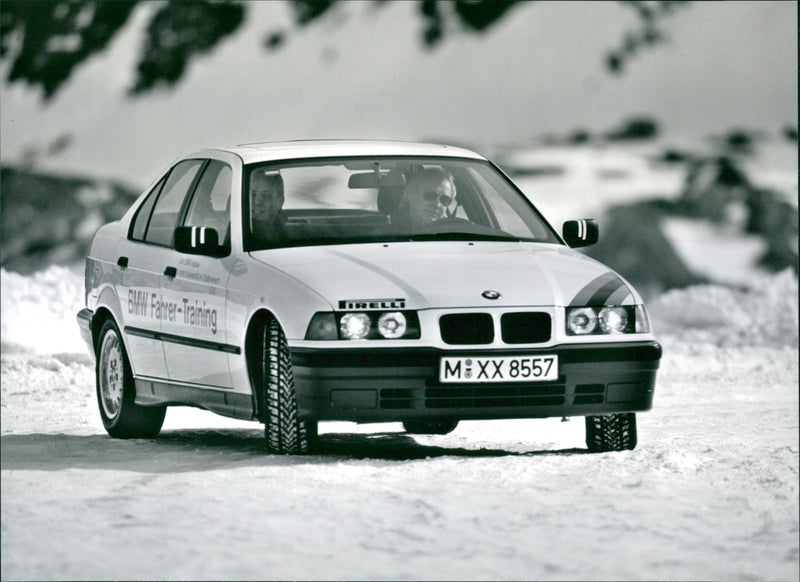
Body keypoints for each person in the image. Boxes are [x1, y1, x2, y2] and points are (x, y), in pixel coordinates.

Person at [393, 168, 457, 230]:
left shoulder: (451, 236)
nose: (437, 205)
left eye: (444, 199)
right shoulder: (390, 235)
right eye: (430, 195)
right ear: (411, 195)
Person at [249, 169, 285, 246]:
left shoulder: (288, 235)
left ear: (279, 202)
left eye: (266, 196)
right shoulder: (237, 230)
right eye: (253, 193)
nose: (257, 201)